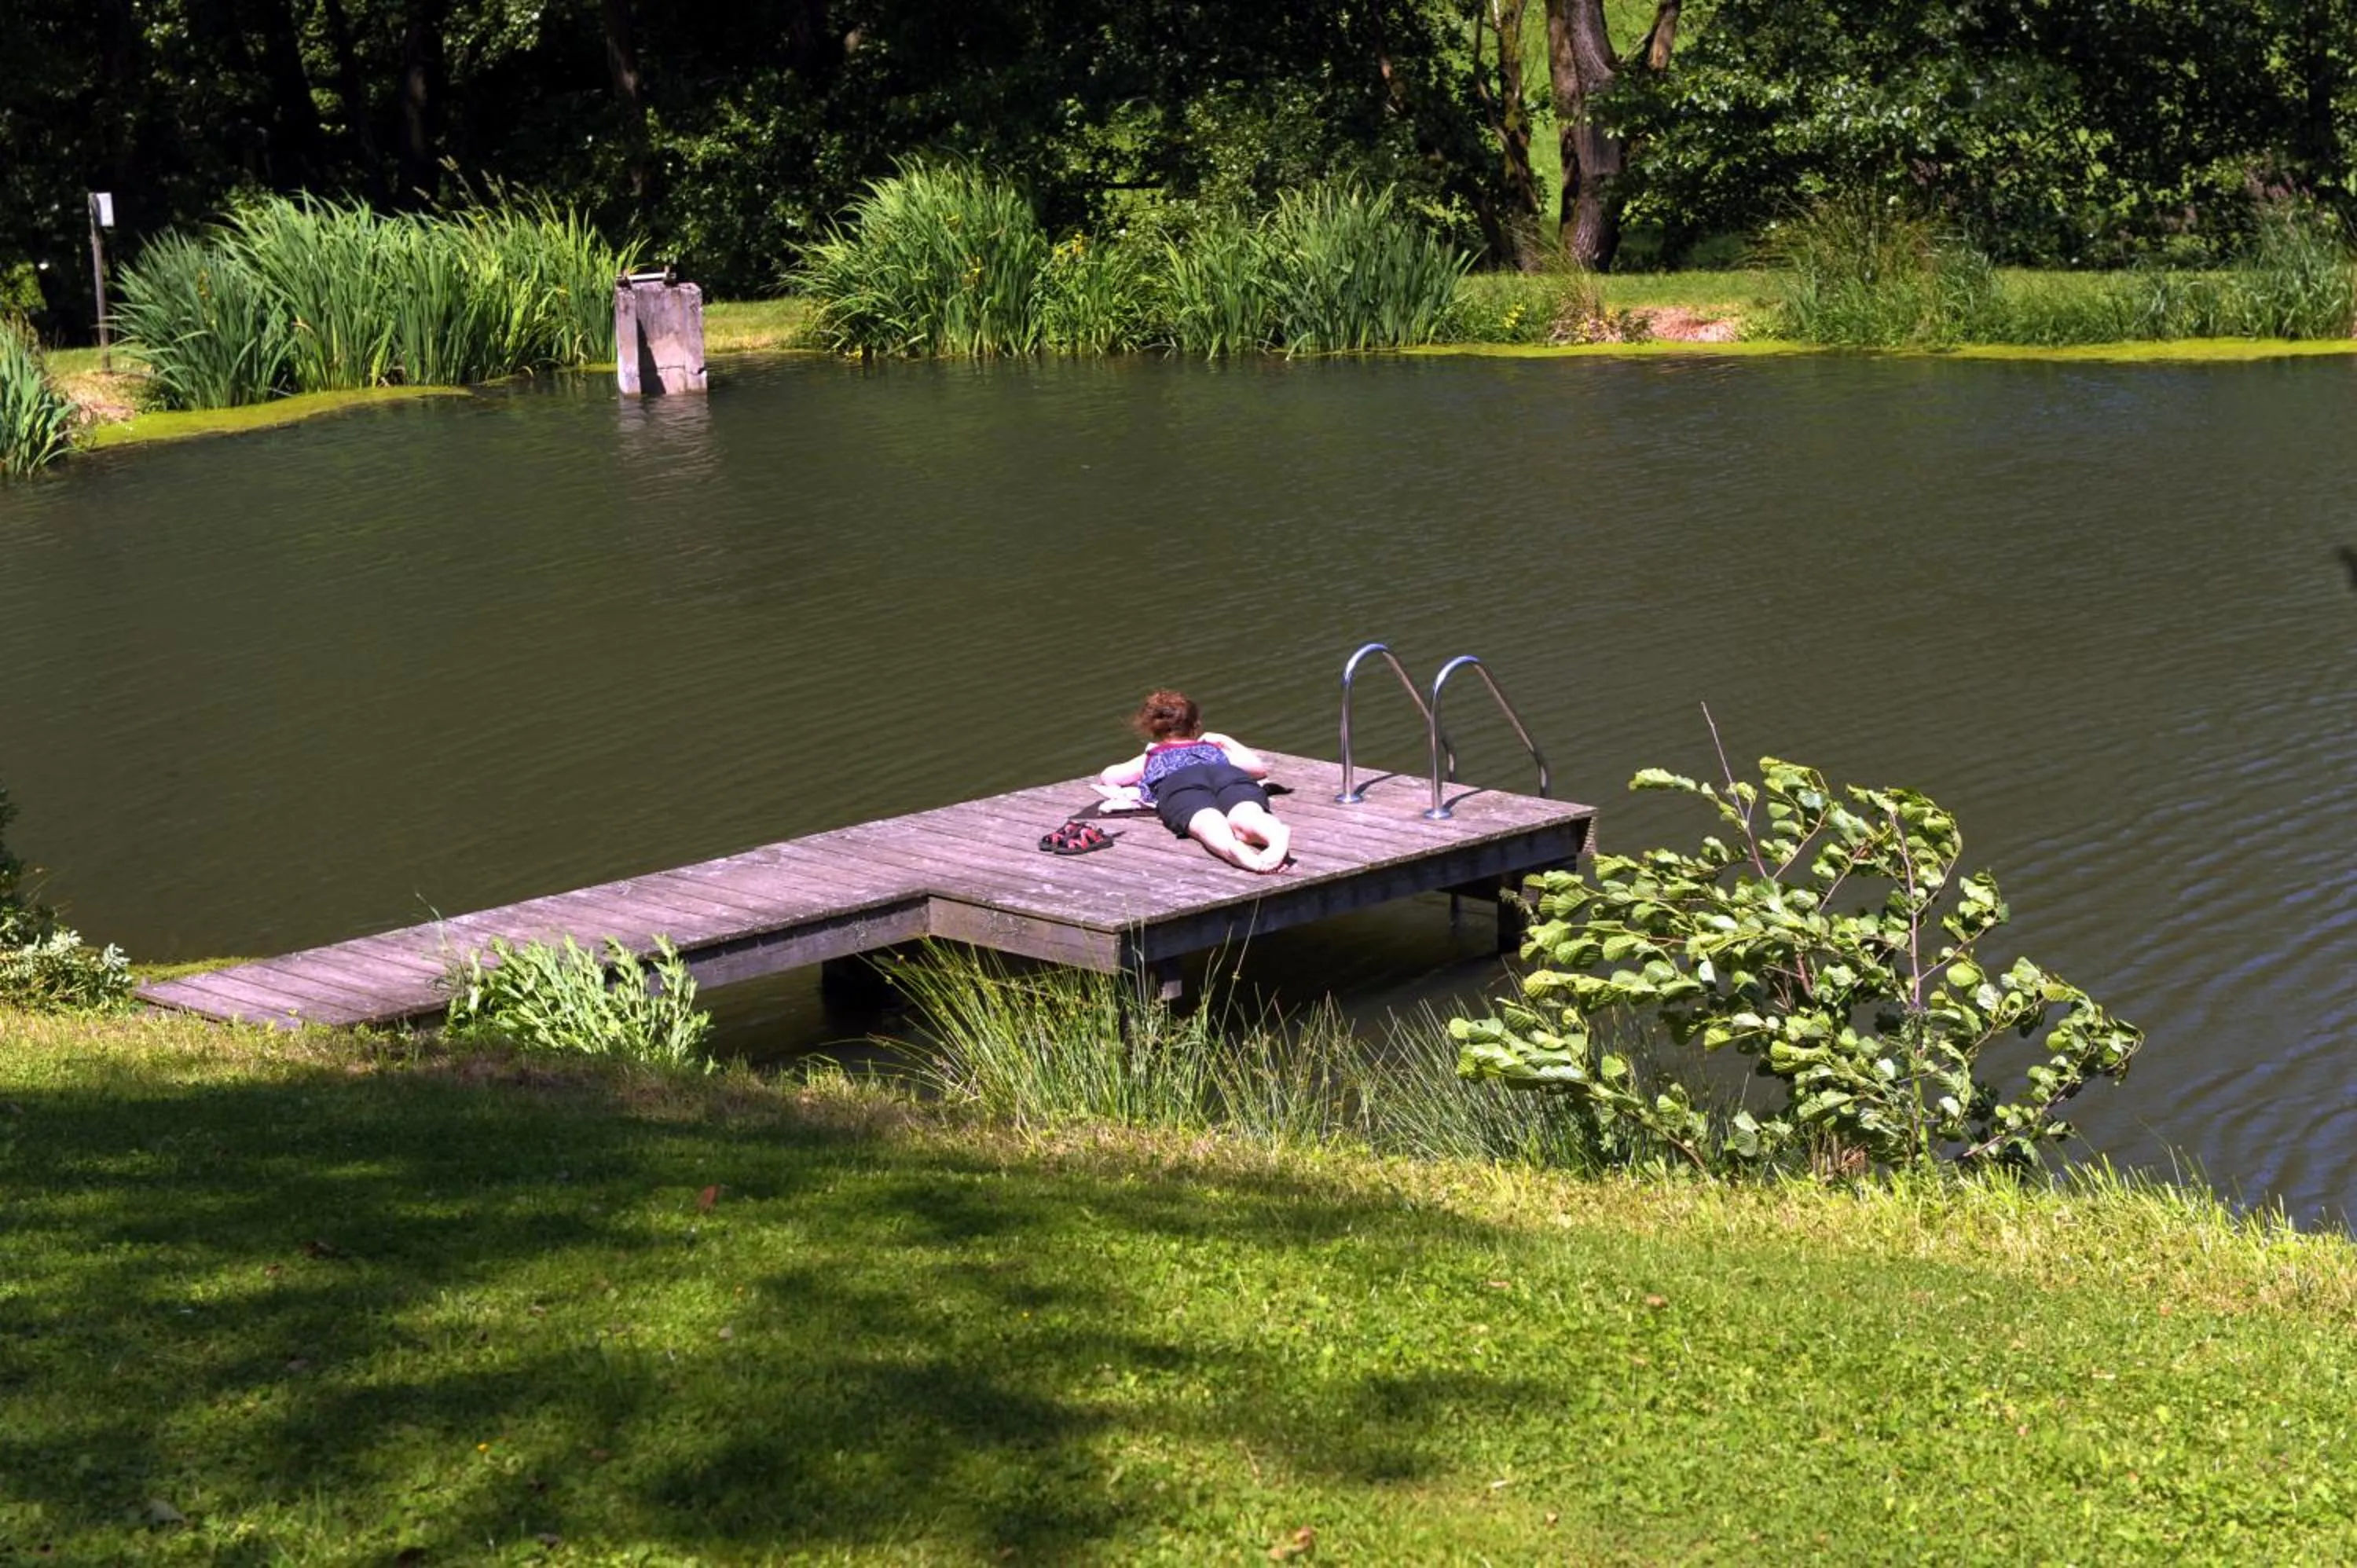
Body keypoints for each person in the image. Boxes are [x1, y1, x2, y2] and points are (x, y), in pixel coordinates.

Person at [1098, 689, 1292, 874]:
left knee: (1207, 821)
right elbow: (1257, 768)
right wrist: (1224, 740)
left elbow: (1110, 776)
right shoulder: (1214, 751)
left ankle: (1233, 849)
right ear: (1195, 725)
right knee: (1247, 814)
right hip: (1225, 773)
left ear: (1153, 729)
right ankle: (1275, 835)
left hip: (1181, 783)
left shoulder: (1153, 757)